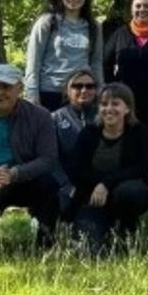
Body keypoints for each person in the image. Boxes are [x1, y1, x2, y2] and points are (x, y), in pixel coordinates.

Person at [0, 64, 59, 249]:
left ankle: (45, 246)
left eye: (6, 87)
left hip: (20, 181)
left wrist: (14, 174)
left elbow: (48, 158)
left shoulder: (40, 116)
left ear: (20, 89)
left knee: (48, 184)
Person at [68, 83, 148, 255]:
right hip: (92, 198)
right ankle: (105, 229)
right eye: (104, 104)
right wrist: (99, 185)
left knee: (129, 192)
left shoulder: (139, 131)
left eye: (115, 104)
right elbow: (76, 171)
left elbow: (144, 167)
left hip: (128, 195)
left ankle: (127, 227)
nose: (109, 109)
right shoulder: (89, 133)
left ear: (127, 108)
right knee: (89, 252)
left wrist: (106, 184)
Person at [103, 0, 148, 202]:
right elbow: (105, 63)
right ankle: (130, 192)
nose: (142, 9)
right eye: (138, 6)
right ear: (132, 9)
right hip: (126, 105)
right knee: (129, 148)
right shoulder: (120, 34)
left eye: (147, 5)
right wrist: (111, 91)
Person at [24, 0, 104, 112]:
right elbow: (33, 62)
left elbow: (96, 63)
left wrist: (100, 92)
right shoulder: (47, 22)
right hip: (50, 92)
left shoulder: (93, 26)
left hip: (82, 93)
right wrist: (32, 96)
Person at [51, 69, 99, 218]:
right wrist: (67, 187)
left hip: (99, 186)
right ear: (67, 90)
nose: (84, 90)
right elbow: (51, 159)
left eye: (90, 86)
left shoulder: (105, 115)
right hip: (66, 185)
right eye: (77, 86)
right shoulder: (55, 119)